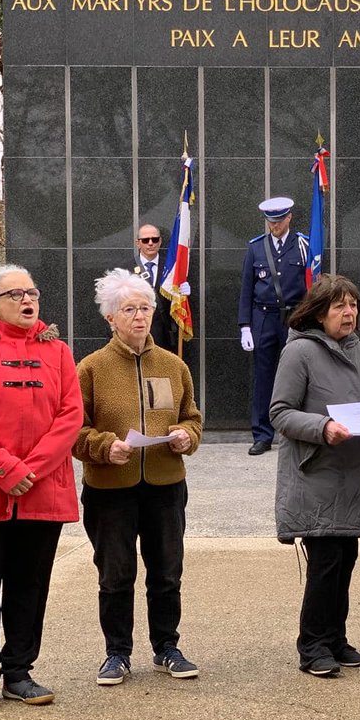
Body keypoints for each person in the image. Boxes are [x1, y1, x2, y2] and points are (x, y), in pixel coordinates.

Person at [0, 265, 84, 711]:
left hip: (41, 491)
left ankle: (20, 672)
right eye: (18, 294)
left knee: (29, 584)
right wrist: (6, 469)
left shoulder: (59, 352)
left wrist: (35, 468)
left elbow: (70, 415)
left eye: (34, 292)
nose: (29, 300)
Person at [74, 268, 204, 687]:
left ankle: (167, 647)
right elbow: (74, 431)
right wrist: (102, 446)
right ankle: (117, 653)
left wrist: (188, 436)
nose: (139, 316)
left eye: (145, 308)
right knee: (115, 574)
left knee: (167, 571)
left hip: (166, 485)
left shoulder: (172, 364)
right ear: (110, 317)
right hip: (110, 489)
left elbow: (192, 418)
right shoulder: (90, 368)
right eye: (128, 309)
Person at [269, 275, 360, 678]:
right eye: (339, 306)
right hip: (316, 471)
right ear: (318, 313)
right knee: (325, 562)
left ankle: (336, 638)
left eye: (353, 305)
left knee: (346, 558)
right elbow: (279, 412)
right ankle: (312, 644)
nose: (348, 313)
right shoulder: (299, 353)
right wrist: (322, 427)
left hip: (353, 470)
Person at [239, 197, 310, 456]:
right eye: (271, 222)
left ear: (289, 218)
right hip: (264, 318)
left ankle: (297, 431)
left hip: (294, 318)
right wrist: (245, 325)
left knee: (298, 375)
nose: (275, 226)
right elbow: (247, 288)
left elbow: (311, 285)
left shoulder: (303, 245)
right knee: (263, 377)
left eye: (279, 221)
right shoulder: (256, 248)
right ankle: (262, 434)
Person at [130, 225, 177, 351]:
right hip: (135, 336)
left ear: (160, 241)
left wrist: (181, 294)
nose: (150, 243)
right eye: (145, 240)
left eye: (154, 239)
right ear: (138, 243)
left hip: (164, 339)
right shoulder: (126, 269)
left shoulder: (171, 268)